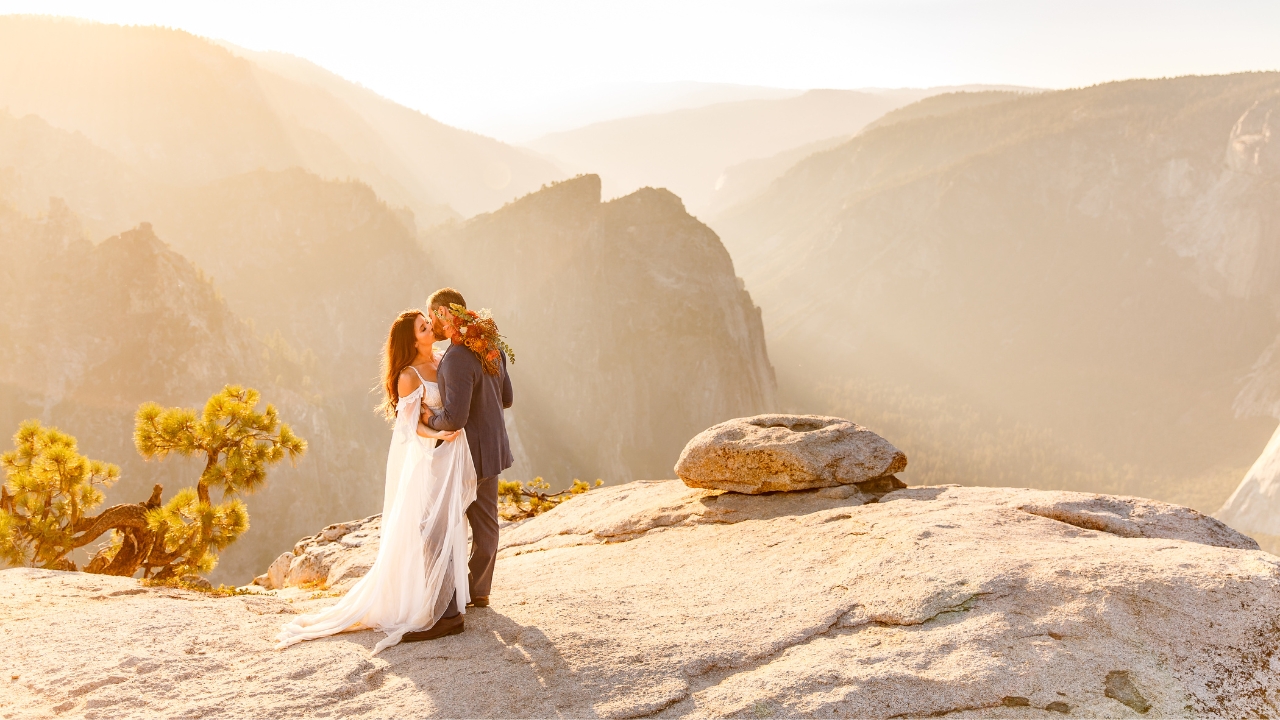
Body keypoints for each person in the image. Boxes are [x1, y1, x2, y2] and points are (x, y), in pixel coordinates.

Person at [274, 309, 475, 654]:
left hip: (450, 458)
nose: (432, 328)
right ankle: (443, 612)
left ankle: (450, 605)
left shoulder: (444, 359)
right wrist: (442, 432)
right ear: (412, 340)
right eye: (425, 327)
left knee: (450, 528)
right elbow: (410, 427)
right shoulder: (409, 376)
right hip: (429, 460)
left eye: (429, 324)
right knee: (431, 534)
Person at [420, 287, 514, 621]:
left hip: (465, 458)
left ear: (444, 313)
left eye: (431, 314)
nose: (430, 321)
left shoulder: (457, 358)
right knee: (487, 525)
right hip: (493, 449)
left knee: (442, 526)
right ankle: (480, 591)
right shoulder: (490, 346)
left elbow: (455, 419)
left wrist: (429, 418)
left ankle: (449, 599)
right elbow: (507, 398)